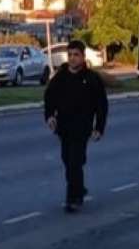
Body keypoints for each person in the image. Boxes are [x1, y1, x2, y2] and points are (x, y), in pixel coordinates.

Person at [43, 39, 109, 213]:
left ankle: (72, 198)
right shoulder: (60, 77)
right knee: (68, 161)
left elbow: (102, 105)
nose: (72, 58)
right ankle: (78, 188)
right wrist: (50, 116)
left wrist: (99, 128)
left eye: (76, 55)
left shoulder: (92, 79)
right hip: (64, 128)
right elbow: (49, 97)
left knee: (75, 161)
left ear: (83, 56)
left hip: (82, 128)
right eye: (70, 55)